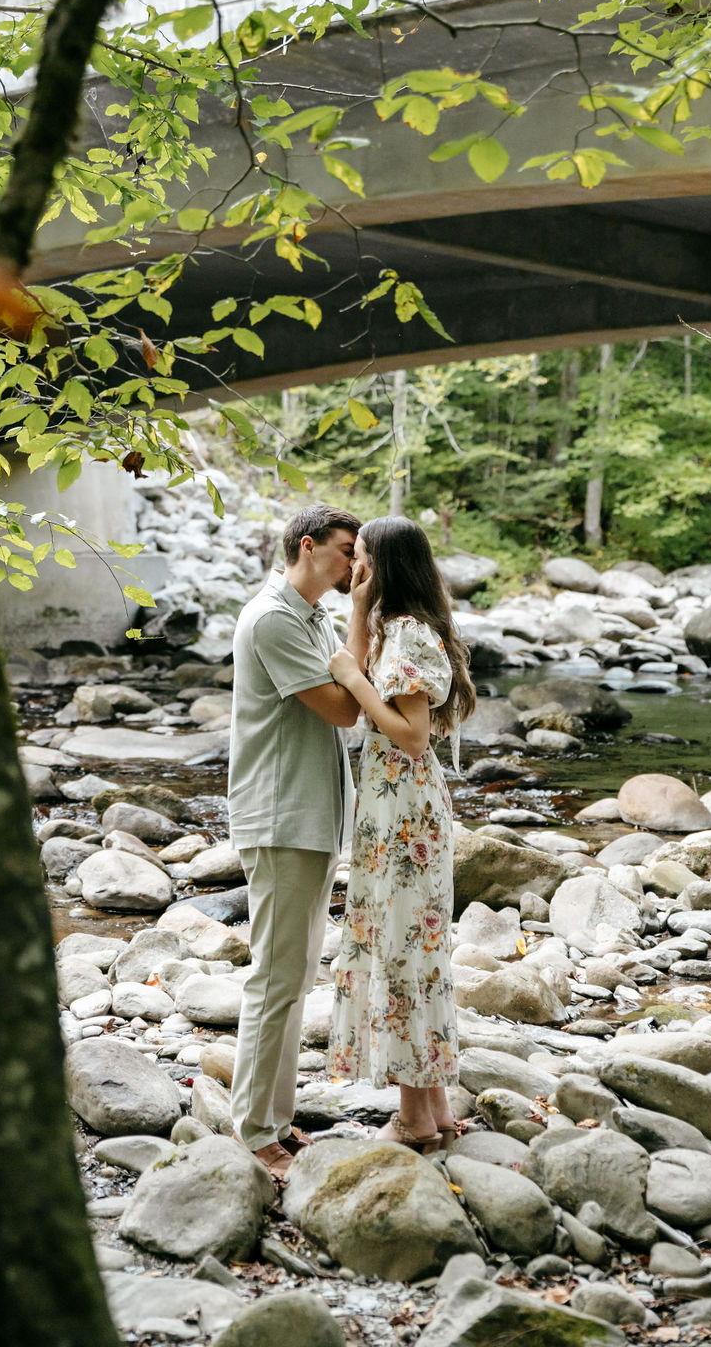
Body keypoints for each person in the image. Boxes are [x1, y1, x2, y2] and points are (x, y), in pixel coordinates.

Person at [325, 515, 477, 1151]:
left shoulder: (411, 632)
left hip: (406, 808)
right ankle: (433, 1105)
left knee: (405, 949)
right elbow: (358, 669)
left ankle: (413, 1117)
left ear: (383, 562)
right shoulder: (393, 624)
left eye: (360, 556)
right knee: (410, 945)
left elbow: (412, 737)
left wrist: (353, 679)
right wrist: (359, 610)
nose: (352, 566)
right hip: (394, 806)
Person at [228, 503, 365, 1179]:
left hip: (309, 817)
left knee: (295, 975)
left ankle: (276, 1121)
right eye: (345, 551)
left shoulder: (312, 617)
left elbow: (345, 688)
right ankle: (254, 1132)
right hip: (281, 817)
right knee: (276, 978)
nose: (354, 565)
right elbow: (343, 709)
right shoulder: (274, 619)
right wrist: (361, 617)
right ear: (307, 547)